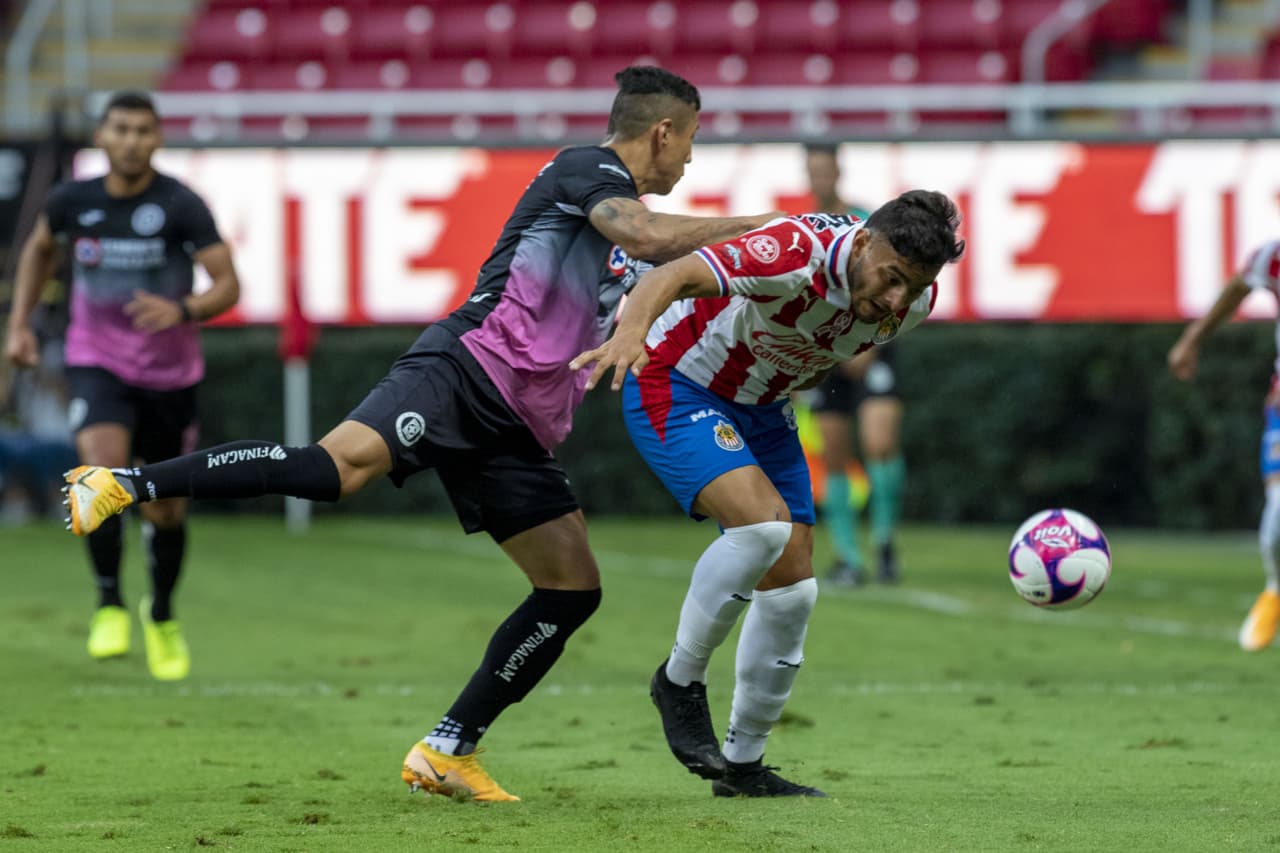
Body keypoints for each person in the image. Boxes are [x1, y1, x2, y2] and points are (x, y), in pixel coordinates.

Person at [59, 66, 777, 802]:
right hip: (467, 368)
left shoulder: (617, 204)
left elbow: (663, 262)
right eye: (689, 140)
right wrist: (765, 227)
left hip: (517, 420)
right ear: (661, 131)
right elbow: (652, 237)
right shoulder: (584, 168)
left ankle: (447, 749)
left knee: (570, 586)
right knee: (332, 470)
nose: (690, 157)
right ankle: (121, 483)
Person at [572, 190, 964, 796]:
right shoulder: (794, 251)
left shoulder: (912, 305)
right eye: (891, 278)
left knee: (793, 591)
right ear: (861, 242)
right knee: (760, 529)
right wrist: (630, 335)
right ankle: (678, 681)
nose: (897, 299)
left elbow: (819, 348)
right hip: (677, 381)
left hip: (762, 407)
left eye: (912, 287)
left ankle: (743, 768)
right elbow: (675, 273)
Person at [4, 91, 241, 680]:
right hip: (96, 362)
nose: (132, 140)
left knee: (165, 511)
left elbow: (228, 284)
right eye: (121, 129)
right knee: (99, 477)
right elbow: (37, 253)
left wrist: (184, 308)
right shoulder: (71, 201)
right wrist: (20, 327)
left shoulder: (182, 205)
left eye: (143, 130)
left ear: (157, 138)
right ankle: (108, 602)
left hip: (170, 375)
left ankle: (160, 613)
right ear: (102, 138)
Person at [1168, 237, 1280, 651]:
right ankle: (1275, 589)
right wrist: (1193, 338)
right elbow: (1237, 287)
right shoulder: (1274, 256)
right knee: (1278, 518)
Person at [802, 143, 906, 586]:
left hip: (872, 347)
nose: (819, 179)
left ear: (838, 171)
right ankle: (848, 558)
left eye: (824, 170)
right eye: (812, 172)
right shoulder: (806, 229)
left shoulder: (865, 223)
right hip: (829, 357)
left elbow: (894, 283)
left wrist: (869, 345)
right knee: (836, 455)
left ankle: (884, 542)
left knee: (880, 443)